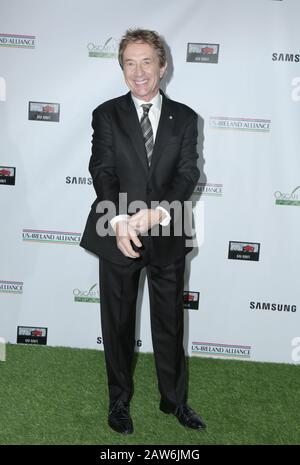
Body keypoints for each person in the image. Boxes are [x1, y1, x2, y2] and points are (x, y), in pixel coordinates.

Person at [80, 28, 206, 434]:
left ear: (162, 65)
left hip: (167, 231)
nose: (138, 72)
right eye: (129, 63)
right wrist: (119, 222)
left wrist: (156, 214)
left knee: (169, 321)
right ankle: (119, 402)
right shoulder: (106, 114)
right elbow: (102, 171)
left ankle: (175, 400)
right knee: (116, 323)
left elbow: (187, 174)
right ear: (122, 68)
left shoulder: (185, 118)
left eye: (146, 62)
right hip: (117, 230)